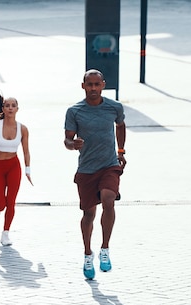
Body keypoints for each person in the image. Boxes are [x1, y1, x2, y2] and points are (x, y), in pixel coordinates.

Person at [64, 69, 126, 280]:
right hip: (87, 169)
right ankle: (88, 254)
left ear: (103, 85)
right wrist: (73, 145)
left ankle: (105, 249)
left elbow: (120, 125)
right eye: (89, 84)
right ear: (83, 86)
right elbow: (67, 140)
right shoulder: (74, 111)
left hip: (109, 165)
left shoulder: (114, 107)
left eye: (96, 84)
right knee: (89, 214)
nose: (93, 88)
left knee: (109, 199)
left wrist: (121, 151)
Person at [0, 88, 32, 247]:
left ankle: (5, 233)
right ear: (3, 109)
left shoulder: (23, 129)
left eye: (13, 105)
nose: (10, 108)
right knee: (0, 204)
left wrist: (27, 170)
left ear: (17, 109)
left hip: (13, 165)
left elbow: (26, 151)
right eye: (7, 105)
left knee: (11, 201)